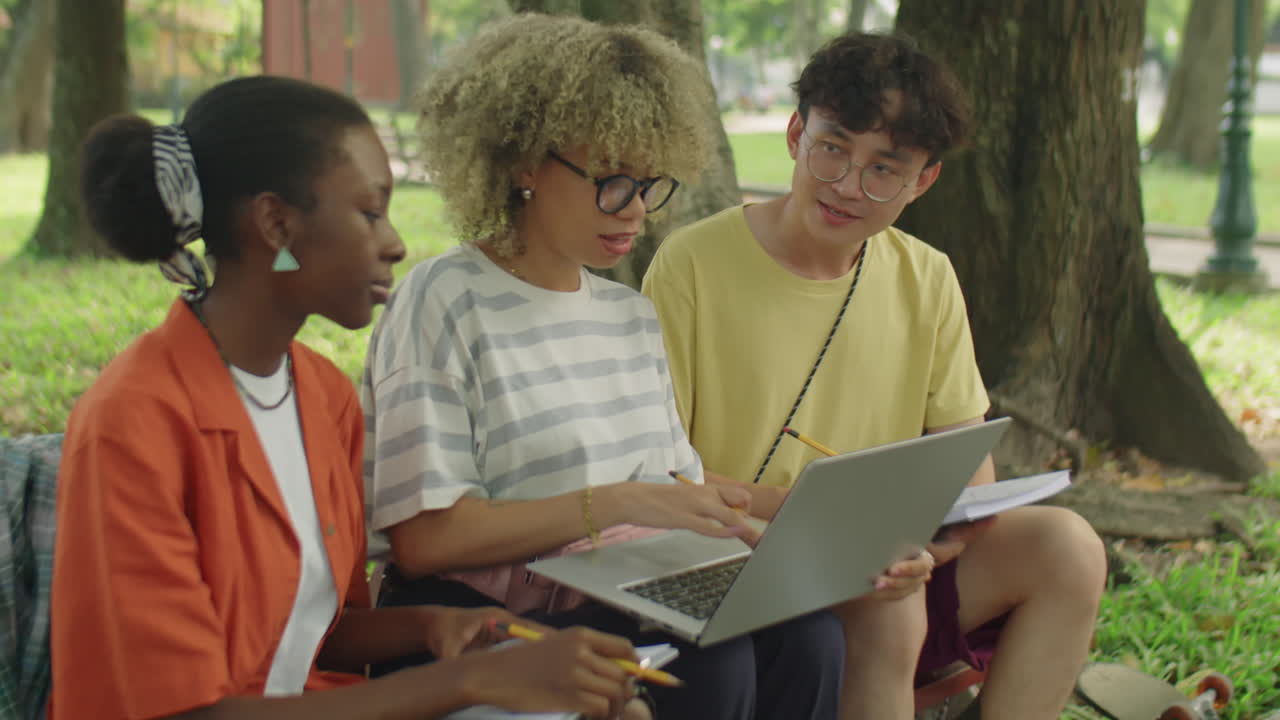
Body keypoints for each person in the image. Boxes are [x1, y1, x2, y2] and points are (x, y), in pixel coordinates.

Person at [51, 75, 650, 720]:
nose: (394, 243)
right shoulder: (135, 422)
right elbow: (185, 712)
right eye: (369, 212)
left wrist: (440, 629)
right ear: (276, 223)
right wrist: (471, 685)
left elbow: (312, 628)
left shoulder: (320, 397)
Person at [362, 13, 845, 720]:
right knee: (709, 658)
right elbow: (426, 540)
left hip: (621, 586)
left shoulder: (627, 315)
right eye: (613, 181)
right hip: (476, 622)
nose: (637, 211)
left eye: (651, 185)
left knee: (812, 637)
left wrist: (826, 529)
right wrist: (614, 502)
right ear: (526, 159)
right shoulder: (445, 299)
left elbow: (675, 487)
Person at [642, 32, 1108, 720]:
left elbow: (967, 475)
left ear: (924, 180)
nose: (847, 186)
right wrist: (827, 524)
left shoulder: (926, 275)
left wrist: (930, 545)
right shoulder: (692, 265)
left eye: (885, 168)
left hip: (885, 560)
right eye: (833, 148)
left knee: (1065, 548)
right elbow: (657, 472)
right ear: (797, 133)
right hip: (739, 554)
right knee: (884, 604)